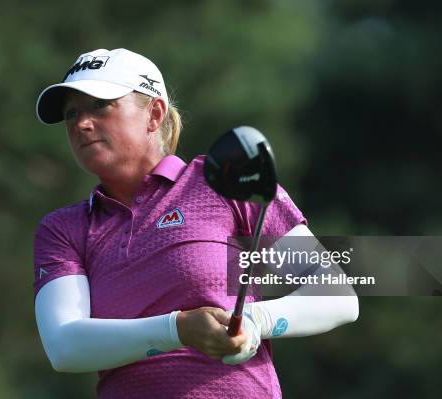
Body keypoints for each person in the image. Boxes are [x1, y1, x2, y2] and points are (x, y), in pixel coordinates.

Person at [33, 48, 359, 399]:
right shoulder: (64, 229)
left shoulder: (224, 182)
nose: (81, 123)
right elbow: (65, 346)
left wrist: (254, 321)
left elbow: (337, 295)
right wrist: (178, 330)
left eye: (100, 105)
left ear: (154, 114)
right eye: (71, 114)